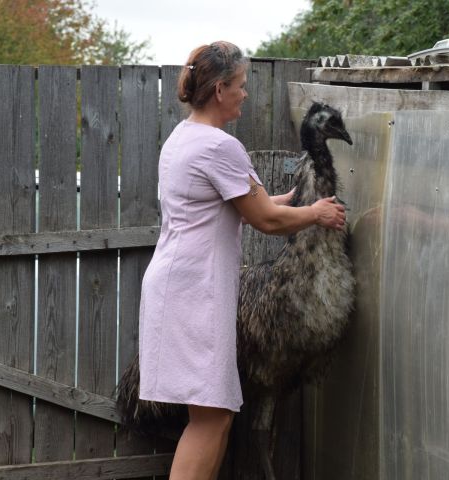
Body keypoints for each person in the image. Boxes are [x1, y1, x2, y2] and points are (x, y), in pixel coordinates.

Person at [138, 41, 345, 480]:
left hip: (178, 286)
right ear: (219, 91)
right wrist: (317, 212)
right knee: (211, 418)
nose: (245, 94)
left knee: (217, 414)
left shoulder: (184, 137)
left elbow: (247, 203)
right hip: (194, 293)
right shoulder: (219, 147)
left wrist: (296, 201)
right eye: (240, 85)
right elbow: (267, 220)